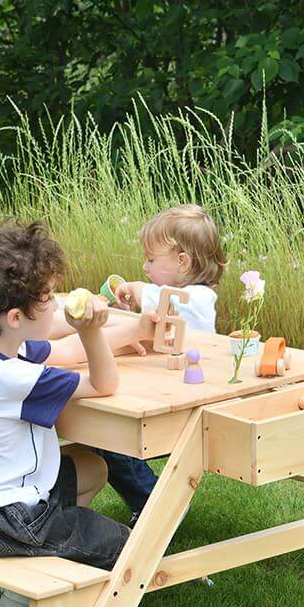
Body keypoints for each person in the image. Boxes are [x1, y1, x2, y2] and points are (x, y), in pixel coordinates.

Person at [0, 220, 145, 607]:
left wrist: (133, 327)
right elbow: (105, 384)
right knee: (127, 546)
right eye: (49, 298)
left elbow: (63, 349)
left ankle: (33, 565)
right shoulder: (16, 378)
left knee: (91, 468)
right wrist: (92, 331)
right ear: (16, 317)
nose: (56, 303)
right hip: (3, 517)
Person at [104, 204, 227, 525]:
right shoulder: (170, 296)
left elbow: (171, 302)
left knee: (114, 440)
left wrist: (142, 291)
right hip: (163, 391)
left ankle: (155, 504)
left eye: (151, 259)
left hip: (189, 406)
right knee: (105, 438)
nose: (145, 267)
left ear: (183, 262)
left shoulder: (200, 299)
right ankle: (149, 499)